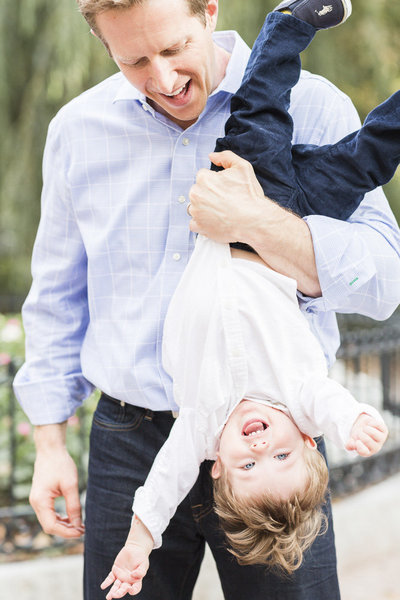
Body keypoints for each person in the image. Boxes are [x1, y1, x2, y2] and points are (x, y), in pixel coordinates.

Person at [13, 0, 400, 598]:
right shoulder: (77, 130)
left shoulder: (312, 103)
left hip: (280, 442)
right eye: (134, 60)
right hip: (131, 441)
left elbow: (382, 283)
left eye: (172, 50)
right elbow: (59, 295)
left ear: (209, 13)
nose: (163, 80)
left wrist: (255, 221)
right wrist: (48, 441)